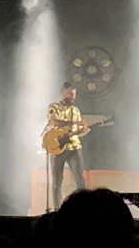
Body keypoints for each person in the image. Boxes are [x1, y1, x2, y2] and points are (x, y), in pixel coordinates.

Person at [46, 82, 88, 210]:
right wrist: (73, 122)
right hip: (57, 147)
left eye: (74, 94)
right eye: (70, 94)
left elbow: (74, 131)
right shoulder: (54, 107)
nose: (73, 97)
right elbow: (54, 122)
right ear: (64, 92)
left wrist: (81, 131)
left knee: (79, 180)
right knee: (57, 181)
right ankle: (57, 209)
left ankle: (82, 208)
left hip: (74, 147)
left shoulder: (75, 110)